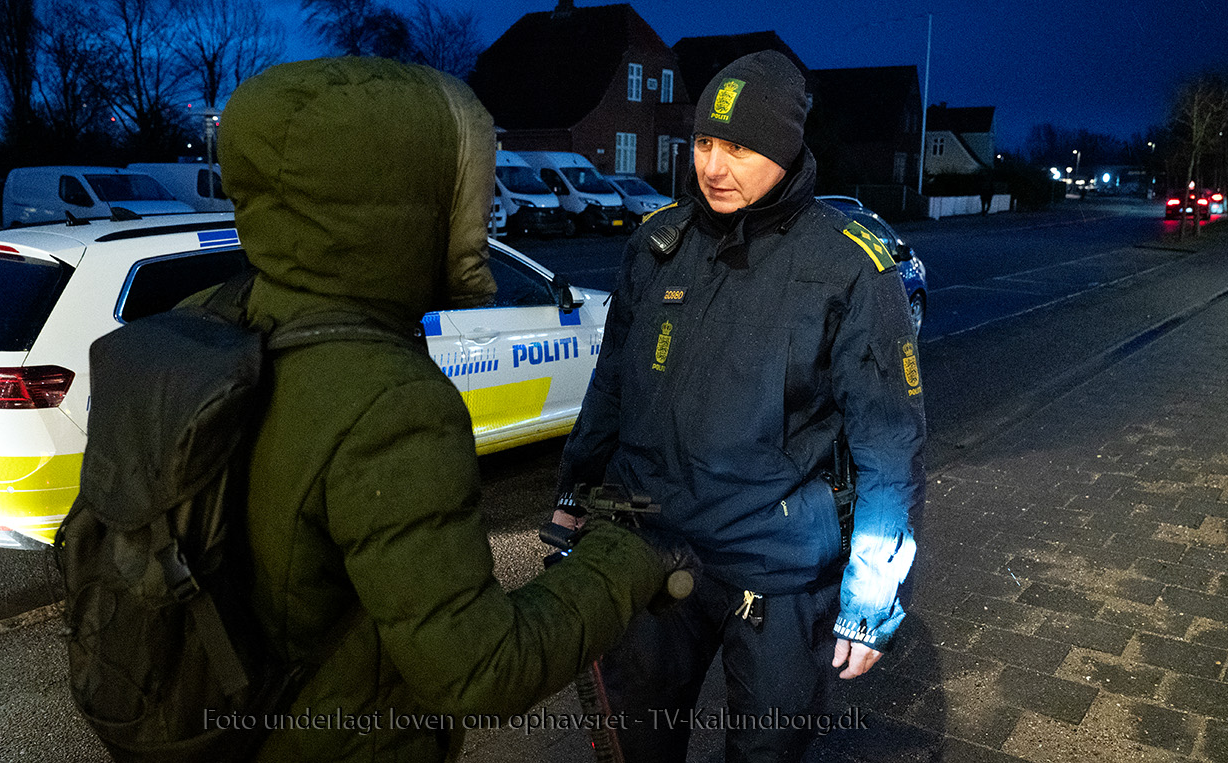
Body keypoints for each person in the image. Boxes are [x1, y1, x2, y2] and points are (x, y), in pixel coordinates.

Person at [219, 58, 690, 762]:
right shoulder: (391, 404)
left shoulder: (213, 321)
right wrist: (627, 560)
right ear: (400, 202)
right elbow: (481, 669)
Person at [555, 50, 927, 761]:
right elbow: (613, 384)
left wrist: (870, 598)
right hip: (651, 546)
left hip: (777, 570)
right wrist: (575, 489)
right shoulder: (657, 245)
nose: (713, 167)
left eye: (740, 147)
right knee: (635, 744)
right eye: (703, 143)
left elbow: (889, 441)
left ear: (786, 150)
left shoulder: (849, 264)